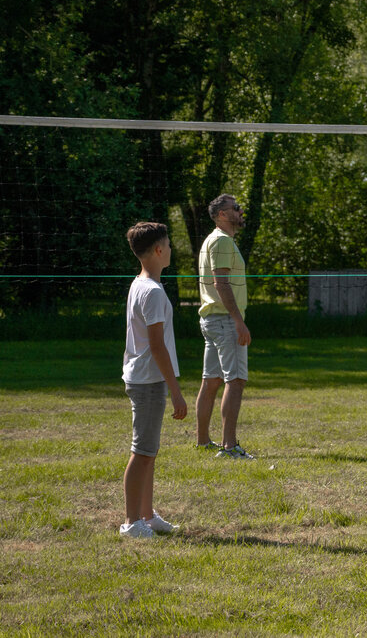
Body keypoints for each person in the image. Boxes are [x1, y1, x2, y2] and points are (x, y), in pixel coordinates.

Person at [121, 222, 187, 539]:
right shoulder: (154, 292)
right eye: (169, 244)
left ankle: (147, 515)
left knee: (149, 451)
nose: (172, 249)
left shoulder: (140, 284)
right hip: (148, 381)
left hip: (143, 378)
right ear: (159, 250)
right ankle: (132, 522)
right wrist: (176, 392)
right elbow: (157, 346)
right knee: (142, 451)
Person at [195, 194, 254, 459]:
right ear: (221, 214)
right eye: (236, 208)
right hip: (225, 320)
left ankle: (203, 442)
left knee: (211, 381)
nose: (241, 211)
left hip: (213, 320)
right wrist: (238, 321)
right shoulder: (221, 241)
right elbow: (221, 283)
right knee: (236, 380)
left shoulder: (216, 240)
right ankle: (229, 447)